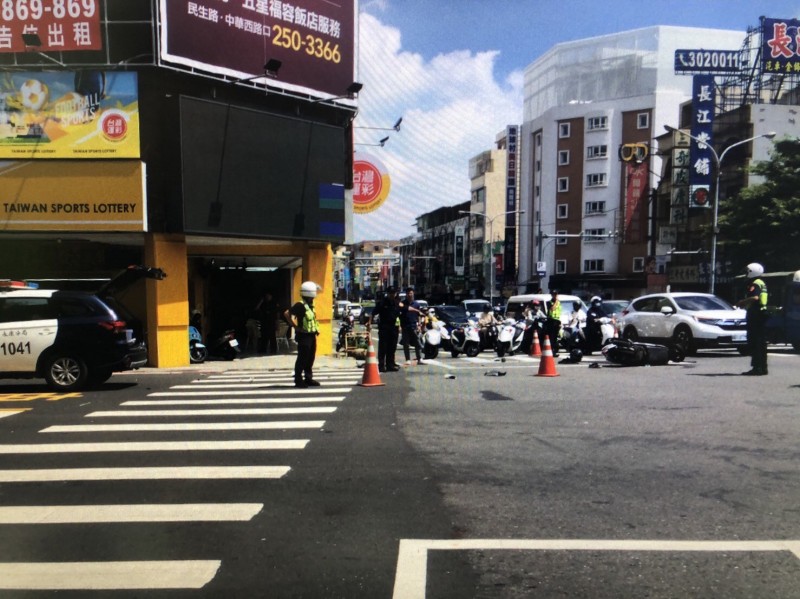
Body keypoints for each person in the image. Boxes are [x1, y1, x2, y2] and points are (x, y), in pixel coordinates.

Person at [284, 281, 321, 388]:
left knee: (310, 358)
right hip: (304, 337)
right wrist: (295, 326)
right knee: (302, 358)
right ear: (309, 294)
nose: (314, 297)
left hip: (311, 336)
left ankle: (308, 378)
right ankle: (298, 380)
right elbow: (286, 313)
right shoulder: (300, 305)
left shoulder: (310, 305)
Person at [739, 262, 769, 376]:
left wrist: (742, 302)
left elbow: (755, 297)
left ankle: (757, 368)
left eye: (747, 272)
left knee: (755, 341)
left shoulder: (755, 283)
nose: (746, 274)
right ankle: (763, 367)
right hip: (762, 314)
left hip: (756, 314)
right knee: (761, 342)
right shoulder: (762, 283)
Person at [373, 287, 401, 372]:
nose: (392, 294)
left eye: (394, 293)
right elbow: (374, 312)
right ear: (387, 293)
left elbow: (399, 316)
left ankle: (390, 364)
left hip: (394, 328)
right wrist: (369, 323)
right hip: (384, 328)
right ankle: (381, 365)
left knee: (392, 347)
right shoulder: (382, 302)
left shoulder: (396, 303)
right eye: (390, 293)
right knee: (383, 347)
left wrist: (399, 326)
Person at [399, 287, 424, 365]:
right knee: (406, 344)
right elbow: (399, 316)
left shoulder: (416, 304)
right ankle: (408, 359)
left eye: (411, 293)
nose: (410, 295)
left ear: (413, 294)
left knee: (417, 342)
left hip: (414, 325)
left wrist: (419, 324)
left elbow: (419, 315)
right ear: (406, 294)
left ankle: (419, 359)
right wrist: (399, 325)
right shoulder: (402, 303)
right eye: (408, 293)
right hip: (405, 326)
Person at [546, 290, 562, 356]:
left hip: (557, 321)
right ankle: (551, 351)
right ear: (552, 295)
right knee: (551, 337)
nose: (555, 296)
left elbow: (560, 311)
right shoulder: (549, 302)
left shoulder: (559, 302)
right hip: (551, 321)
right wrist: (556, 302)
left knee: (555, 337)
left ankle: (554, 351)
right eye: (554, 294)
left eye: (556, 294)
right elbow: (552, 309)